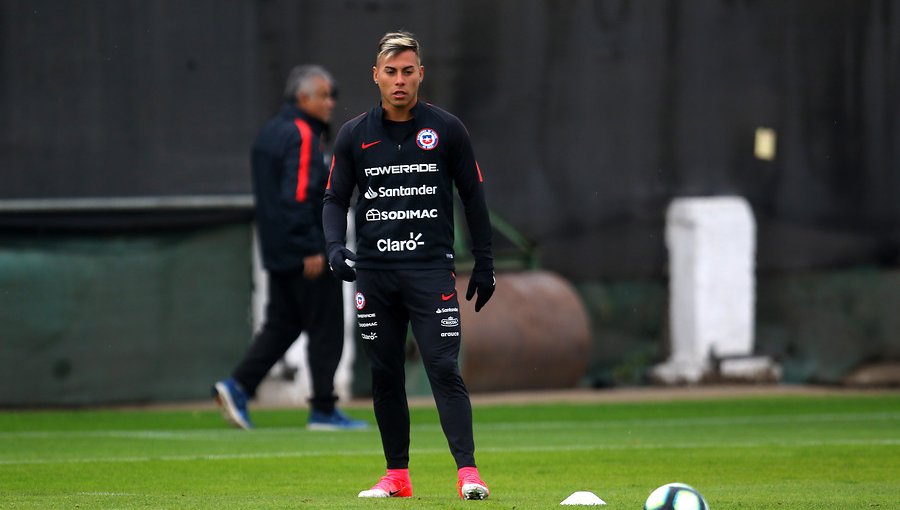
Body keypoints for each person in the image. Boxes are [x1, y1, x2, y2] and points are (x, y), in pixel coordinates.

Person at [322, 31, 496, 500]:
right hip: (374, 274)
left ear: (421, 74)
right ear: (376, 76)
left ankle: (468, 473)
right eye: (391, 72)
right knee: (384, 372)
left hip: (430, 272)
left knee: (443, 367)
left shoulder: (447, 129)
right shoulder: (354, 134)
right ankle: (396, 476)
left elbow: (473, 196)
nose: (399, 81)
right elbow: (335, 198)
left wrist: (485, 262)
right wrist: (335, 247)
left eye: (408, 71)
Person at [213, 65, 367, 432]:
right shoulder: (300, 134)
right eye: (324, 95)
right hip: (305, 252)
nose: (331, 103)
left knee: (284, 325)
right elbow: (297, 197)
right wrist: (311, 247)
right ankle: (325, 410)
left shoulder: (271, 132)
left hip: (279, 249)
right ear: (303, 98)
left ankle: (238, 387)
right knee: (327, 324)